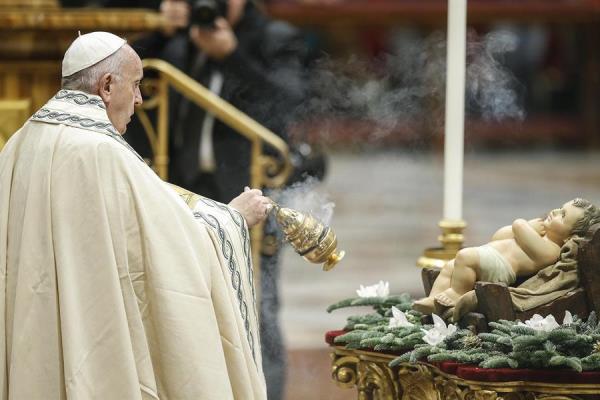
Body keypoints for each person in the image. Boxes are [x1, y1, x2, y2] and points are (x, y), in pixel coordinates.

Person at [0, 31, 272, 399]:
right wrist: (233, 218)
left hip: (32, 321)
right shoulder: (102, 151)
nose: (140, 99)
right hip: (93, 327)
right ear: (108, 85)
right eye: (137, 84)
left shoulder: (20, 140)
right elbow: (167, 243)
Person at [413, 198, 600, 315]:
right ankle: (434, 299)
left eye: (562, 215)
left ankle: (456, 293)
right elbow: (499, 236)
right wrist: (522, 229)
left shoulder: (551, 249)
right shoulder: (538, 235)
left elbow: (518, 226)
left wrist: (524, 225)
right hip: (489, 257)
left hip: (501, 268)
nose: (555, 212)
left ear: (569, 236)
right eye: (560, 208)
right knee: (450, 267)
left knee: (465, 256)